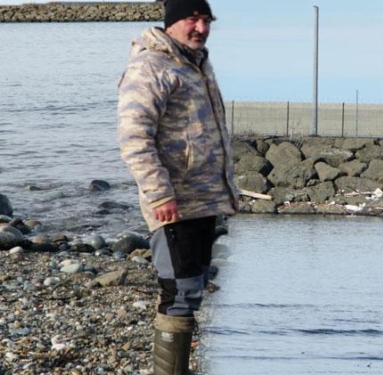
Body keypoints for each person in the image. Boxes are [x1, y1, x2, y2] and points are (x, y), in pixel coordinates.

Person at [117, 1, 238, 373]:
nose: (201, 28)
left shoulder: (197, 64)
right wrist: (160, 194)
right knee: (179, 292)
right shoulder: (150, 66)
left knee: (195, 287)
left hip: (205, 201)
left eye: (206, 20)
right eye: (192, 19)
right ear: (171, 23)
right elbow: (134, 139)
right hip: (173, 204)